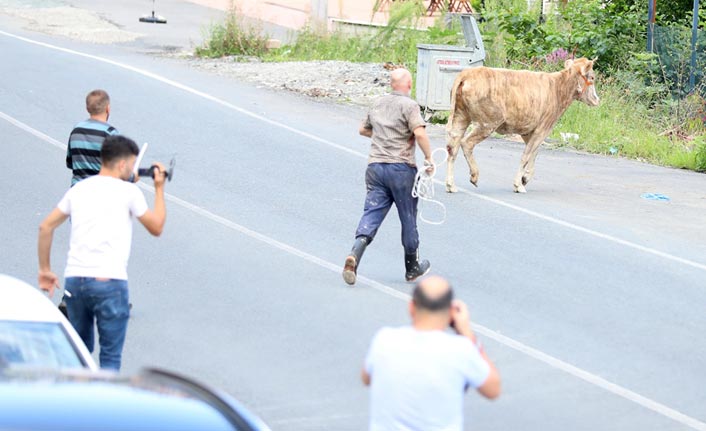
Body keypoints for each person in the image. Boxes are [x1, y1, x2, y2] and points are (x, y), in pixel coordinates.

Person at [38, 135, 167, 370]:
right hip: (110, 282)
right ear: (121, 164)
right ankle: (104, 404)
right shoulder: (130, 193)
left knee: (79, 353)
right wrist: (159, 189)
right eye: (132, 164)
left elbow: (46, 226)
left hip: (75, 282)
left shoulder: (79, 189)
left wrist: (45, 270)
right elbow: (156, 226)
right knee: (110, 357)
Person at [362, 275, 501, 431]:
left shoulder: (384, 340)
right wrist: (468, 335)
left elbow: (367, 377)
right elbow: (493, 389)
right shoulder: (461, 350)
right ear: (451, 312)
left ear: (411, 307)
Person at [342, 68, 433, 285]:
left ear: (392, 84)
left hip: (375, 169)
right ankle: (412, 267)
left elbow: (363, 130)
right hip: (401, 169)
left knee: (371, 212)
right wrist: (429, 158)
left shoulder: (378, 103)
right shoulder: (410, 106)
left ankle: (355, 253)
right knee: (408, 217)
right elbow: (419, 133)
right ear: (409, 84)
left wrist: (383, 135)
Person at [66, 89, 119, 186]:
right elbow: (118, 170)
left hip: (77, 191)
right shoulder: (110, 133)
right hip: (100, 193)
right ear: (108, 108)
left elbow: (70, 162)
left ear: (87, 108)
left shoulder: (76, 130)